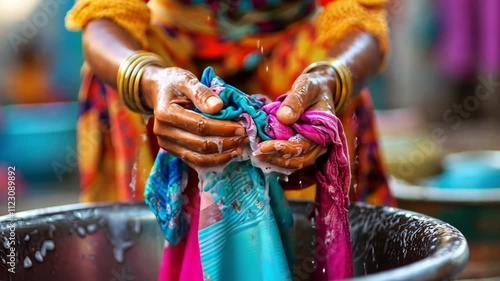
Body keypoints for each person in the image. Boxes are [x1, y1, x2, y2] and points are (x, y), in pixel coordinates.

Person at [65, 0, 395, 206]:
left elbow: (358, 17)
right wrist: (149, 80)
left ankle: (309, 245)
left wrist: (328, 79)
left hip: (289, 60)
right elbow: (105, 14)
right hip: (176, 54)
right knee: (122, 76)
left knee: (333, 82)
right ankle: (145, 243)